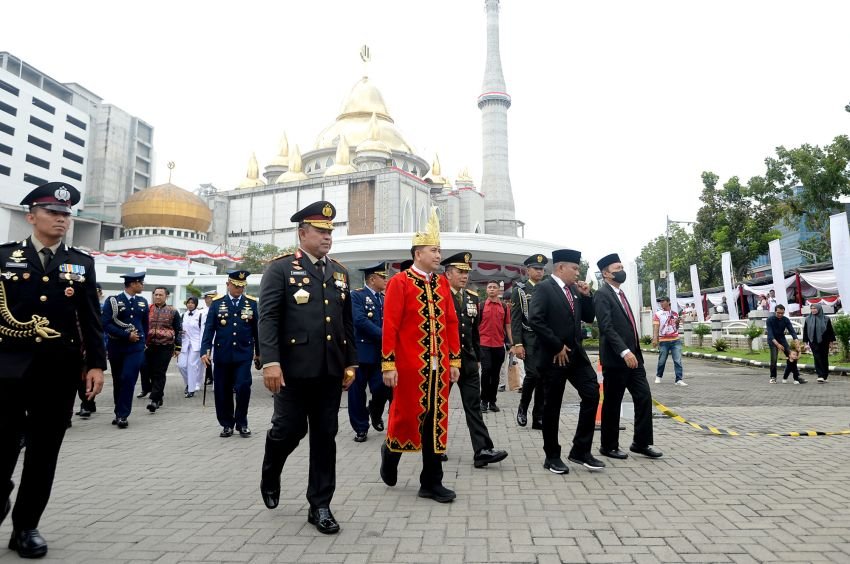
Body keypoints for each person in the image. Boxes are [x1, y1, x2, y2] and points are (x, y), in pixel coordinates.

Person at [0, 182, 106, 558]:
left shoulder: (81, 263)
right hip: (7, 371)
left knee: (44, 453)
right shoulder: (4, 257)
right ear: (32, 216)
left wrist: (96, 364)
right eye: (53, 213)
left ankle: (26, 527)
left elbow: (90, 319)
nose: (62, 219)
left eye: (66, 214)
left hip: (59, 373)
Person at [258, 201, 357, 535]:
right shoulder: (281, 268)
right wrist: (270, 362)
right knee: (289, 430)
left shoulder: (340, 272)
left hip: (330, 370)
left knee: (325, 437)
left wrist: (351, 363)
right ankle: (271, 468)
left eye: (330, 231)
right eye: (320, 231)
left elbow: (346, 323)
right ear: (303, 233)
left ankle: (320, 505)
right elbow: (268, 317)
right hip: (292, 370)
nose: (327, 237)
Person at [379, 209, 461, 502]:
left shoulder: (441, 284)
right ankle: (391, 450)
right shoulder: (399, 282)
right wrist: (388, 364)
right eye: (434, 250)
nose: (439, 255)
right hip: (409, 365)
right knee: (406, 417)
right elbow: (391, 325)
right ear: (418, 253)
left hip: (439, 368)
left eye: (439, 250)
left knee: (435, 420)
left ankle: (431, 482)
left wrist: (454, 360)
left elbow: (451, 322)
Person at [528, 249, 603, 474]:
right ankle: (552, 456)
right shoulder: (544, 288)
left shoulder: (574, 290)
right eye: (575, 268)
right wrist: (557, 345)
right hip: (554, 357)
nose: (578, 272)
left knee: (591, 392)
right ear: (560, 268)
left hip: (576, 356)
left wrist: (587, 295)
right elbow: (536, 320)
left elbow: (588, 317)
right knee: (552, 407)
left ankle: (581, 450)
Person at [442, 252, 508, 469]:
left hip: (467, 361)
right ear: (448, 273)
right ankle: (436, 446)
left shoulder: (471, 297)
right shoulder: (437, 295)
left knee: (473, 405)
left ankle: (482, 450)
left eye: (466, 272)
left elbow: (474, 331)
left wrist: (477, 357)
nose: (464, 276)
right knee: (438, 405)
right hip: (443, 361)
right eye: (460, 272)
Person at [594, 253, 662, 462]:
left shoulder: (621, 295)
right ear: (606, 273)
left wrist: (634, 351)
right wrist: (624, 351)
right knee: (613, 402)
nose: (621, 271)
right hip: (617, 359)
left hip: (635, 359)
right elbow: (606, 327)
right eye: (617, 268)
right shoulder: (602, 294)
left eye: (622, 267)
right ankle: (608, 445)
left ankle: (641, 443)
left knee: (643, 397)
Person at [201, 271, 260, 437]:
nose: (239, 289)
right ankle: (227, 423)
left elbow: (256, 330)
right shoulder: (218, 303)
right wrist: (205, 351)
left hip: (243, 353)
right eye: (236, 285)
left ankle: (242, 422)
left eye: (242, 286)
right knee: (222, 390)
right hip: (222, 353)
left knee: (243, 387)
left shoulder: (251, 303)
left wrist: (259, 353)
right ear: (228, 284)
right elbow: (209, 329)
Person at [348, 263, 391, 442]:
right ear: (372, 279)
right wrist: (385, 336)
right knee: (357, 392)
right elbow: (360, 320)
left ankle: (374, 411)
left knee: (382, 388)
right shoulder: (357, 296)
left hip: (380, 354)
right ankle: (361, 427)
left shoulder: (385, 298)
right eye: (383, 277)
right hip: (361, 353)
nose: (386, 280)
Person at [103, 271, 148, 429]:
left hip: (136, 347)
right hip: (117, 346)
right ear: (133, 283)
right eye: (141, 283)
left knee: (129, 377)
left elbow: (145, 324)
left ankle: (123, 414)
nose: (142, 285)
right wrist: (125, 335)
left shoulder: (142, 301)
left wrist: (144, 341)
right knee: (118, 379)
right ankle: (118, 411)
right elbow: (106, 323)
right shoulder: (113, 301)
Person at [512, 253, 548, 430]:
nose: (540, 272)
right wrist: (518, 343)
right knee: (533, 374)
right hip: (529, 338)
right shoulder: (520, 290)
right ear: (528, 270)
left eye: (542, 269)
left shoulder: (548, 288)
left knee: (542, 378)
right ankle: (523, 407)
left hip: (546, 340)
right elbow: (516, 319)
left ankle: (538, 416)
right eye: (536, 269)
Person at [142, 287, 182, 412]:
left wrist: (178, 346)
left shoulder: (173, 311)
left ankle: (154, 400)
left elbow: (178, 330)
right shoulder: (147, 309)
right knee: (148, 372)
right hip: (148, 345)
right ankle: (159, 396)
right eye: (156, 294)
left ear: (166, 296)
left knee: (159, 372)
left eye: (160, 295)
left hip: (165, 346)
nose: (157, 297)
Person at [478, 280, 512, 412]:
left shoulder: (504, 307)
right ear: (486, 290)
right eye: (489, 287)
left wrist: (512, 344)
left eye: (494, 287)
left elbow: (508, 326)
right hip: (484, 344)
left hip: (499, 345)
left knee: (496, 374)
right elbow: (476, 327)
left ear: (499, 291)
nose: (492, 289)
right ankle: (483, 401)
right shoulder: (480, 306)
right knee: (486, 372)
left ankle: (492, 401)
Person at [75, 283, 106, 419]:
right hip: (73, 345)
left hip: (90, 347)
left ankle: (86, 404)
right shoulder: (75, 305)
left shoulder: (103, 308)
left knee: (86, 378)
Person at [766, 304, 805, 384]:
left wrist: (796, 341)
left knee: (792, 356)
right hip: (772, 340)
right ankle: (773, 377)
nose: (780, 315)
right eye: (778, 313)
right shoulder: (770, 320)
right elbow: (770, 334)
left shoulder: (785, 320)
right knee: (774, 359)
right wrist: (777, 344)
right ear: (775, 311)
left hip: (782, 339)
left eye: (782, 313)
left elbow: (792, 331)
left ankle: (796, 377)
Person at [652, 296, 687, 386]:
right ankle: (658, 376)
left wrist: (678, 322)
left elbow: (676, 327)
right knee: (662, 360)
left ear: (668, 302)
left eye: (663, 301)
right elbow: (656, 327)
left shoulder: (675, 314)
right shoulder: (658, 314)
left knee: (677, 360)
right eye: (660, 302)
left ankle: (678, 379)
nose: (661, 303)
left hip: (675, 340)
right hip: (664, 341)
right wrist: (655, 339)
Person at [178, 296, 205, 397]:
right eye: (188, 303)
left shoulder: (200, 315)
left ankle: (191, 389)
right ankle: (189, 383)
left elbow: (202, 331)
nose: (190, 304)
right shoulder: (183, 315)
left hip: (196, 344)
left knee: (191, 365)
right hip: (185, 343)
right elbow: (179, 329)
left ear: (196, 304)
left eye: (192, 303)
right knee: (181, 365)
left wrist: (203, 345)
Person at [803, 303, 835, 383]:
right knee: (817, 357)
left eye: (815, 308)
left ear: (819, 309)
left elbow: (830, 331)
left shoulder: (826, 319)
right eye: (812, 308)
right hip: (813, 341)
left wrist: (831, 342)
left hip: (824, 341)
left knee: (824, 357)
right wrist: (805, 343)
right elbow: (805, 331)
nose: (813, 310)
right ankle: (820, 375)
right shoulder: (807, 319)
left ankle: (825, 375)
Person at [200, 290, 217, 386]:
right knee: (207, 363)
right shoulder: (201, 312)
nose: (208, 300)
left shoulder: (219, 309)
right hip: (206, 342)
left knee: (216, 364)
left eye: (210, 298)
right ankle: (209, 378)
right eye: (207, 298)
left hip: (217, 341)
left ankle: (217, 384)